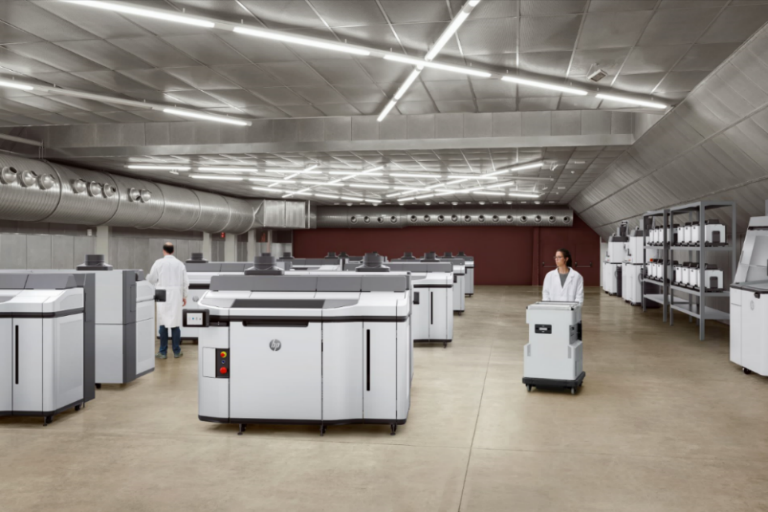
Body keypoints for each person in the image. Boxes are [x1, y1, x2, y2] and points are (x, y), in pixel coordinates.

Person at [147, 242, 189, 359]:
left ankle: (163, 352)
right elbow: (185, 282)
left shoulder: (158, 263)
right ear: (173, 251)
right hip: (176, 294)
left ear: (163, 250)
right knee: (175, 323)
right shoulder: (180, 264)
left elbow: (151, 279)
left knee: (163, 322)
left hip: (161, 292)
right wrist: (184, 295)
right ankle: (176, 351)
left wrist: (147, 278)